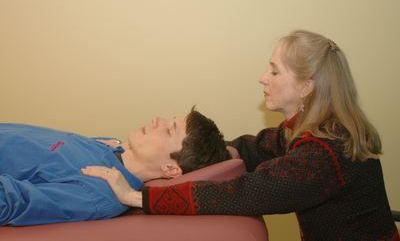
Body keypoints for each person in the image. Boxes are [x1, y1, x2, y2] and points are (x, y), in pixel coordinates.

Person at [83, 30, 399, 240]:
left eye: (275, 71)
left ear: (305, 87)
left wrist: (137, 197)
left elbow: (247, 192)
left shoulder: (325, 152)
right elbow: (251, 147)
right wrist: (196, 152)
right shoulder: (311, 130)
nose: (263, 78)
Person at [0, 107, 231, 226]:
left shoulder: (97, 193)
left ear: (171, 169)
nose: (155, 120)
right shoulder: (112, 148)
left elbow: (10, 204)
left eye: (169, 130)